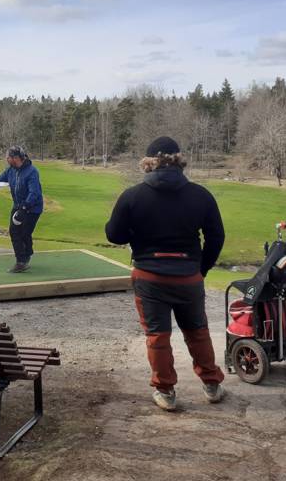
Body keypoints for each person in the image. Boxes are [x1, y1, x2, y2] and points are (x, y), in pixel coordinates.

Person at [105, 136, 226, 411]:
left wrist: (135, 232)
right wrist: (201, 268)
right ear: (179, 161)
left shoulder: (133, 195)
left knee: (158, 336)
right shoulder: (201, 195)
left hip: (149, 277)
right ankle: (212, 385)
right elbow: (216, 237)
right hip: (188, 277)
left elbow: (114, 235)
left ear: (149, 163)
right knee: (197, 332)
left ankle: (166, 391)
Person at [0, 146, 44, 273]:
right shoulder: (11, 170)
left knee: (23, 233)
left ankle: (22, 261)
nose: (6, 159)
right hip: (18, 205)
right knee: (15, 232)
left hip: (32, 208)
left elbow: (34, 193)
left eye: (8, 157)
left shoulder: (32, 172)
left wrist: (24, 208)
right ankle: (25, 256)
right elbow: (1, 178)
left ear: (15, 158)